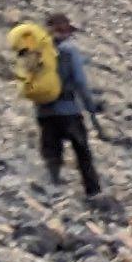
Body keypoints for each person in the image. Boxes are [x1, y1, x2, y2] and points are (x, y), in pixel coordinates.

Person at [33, 14, 101, 197]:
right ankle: (93, 192)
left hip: (44, 111)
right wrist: (90, 106)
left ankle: (51, 192)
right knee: (82, 152)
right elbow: (80, 81)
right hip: (69, 110)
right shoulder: (69, 50)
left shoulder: (37, 51)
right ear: (66, 31)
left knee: (52, 155)